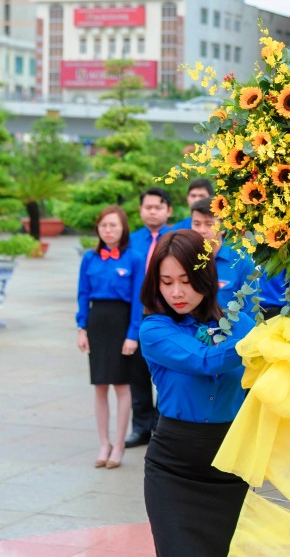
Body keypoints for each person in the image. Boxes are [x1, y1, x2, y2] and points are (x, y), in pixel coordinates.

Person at [139, 230, 256, 556]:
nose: (176, 292)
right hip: (174, 467)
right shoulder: (155, 329)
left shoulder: (242, 324)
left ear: (205, 276)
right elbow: (203, 360)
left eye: (186, 280)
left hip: (234, 462)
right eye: (166, 282)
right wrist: (265, 339)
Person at [76, 206, 145, 469]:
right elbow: (83, 294)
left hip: (122, 321)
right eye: (104, 226)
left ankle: (118, 445)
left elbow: (139, 300)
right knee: (100, 385)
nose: (108, 230)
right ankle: (103, 443)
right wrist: (82, 328)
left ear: (123, 228)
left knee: (122, 385)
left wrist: (133, 335)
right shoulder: (89, 259)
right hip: (97, 322)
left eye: (113, 225)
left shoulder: (134, 258)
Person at [125, 188, 179, 448]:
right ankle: (141, 427)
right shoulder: (132, 241)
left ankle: (160, 425)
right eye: (147, 207)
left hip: (169, 314)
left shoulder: (177, 240)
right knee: (137, 374)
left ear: (168, 210)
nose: (152, 211)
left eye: (158, 207)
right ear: (140, 210)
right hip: (139, 315)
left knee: (167, 370)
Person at [188, 197, 256, 310]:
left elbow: (250, 309)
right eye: (196, 224)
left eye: (209, 224)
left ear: (224, 227)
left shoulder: (240, 261)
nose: (201, 230)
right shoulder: (184, 257)